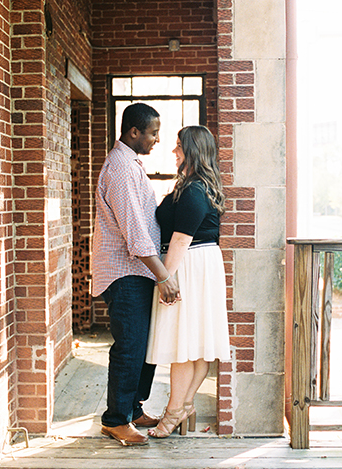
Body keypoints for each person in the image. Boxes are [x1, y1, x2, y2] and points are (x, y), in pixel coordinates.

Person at [92, 102, 181, 446]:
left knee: (143, 344)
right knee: (130, 347)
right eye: (154, 132)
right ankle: (115, 420)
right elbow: (135, 231)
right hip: (123, 273)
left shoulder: (131, 165)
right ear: (134, 132)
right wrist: (163, 275)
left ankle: (133, 408)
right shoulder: (121, 169)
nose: (157, 139)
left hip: (136, 271)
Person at [146, 125, 231, 438]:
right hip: (198, 264)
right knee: (192, 344)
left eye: (179, 145)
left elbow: (181, 239)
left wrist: (164, 277)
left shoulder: (194, 189)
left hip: (189, 263)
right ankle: (185, 406)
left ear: (193, 150)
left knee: (184, 345)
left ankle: (173, 413)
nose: (173, 150)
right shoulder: (197, 185)